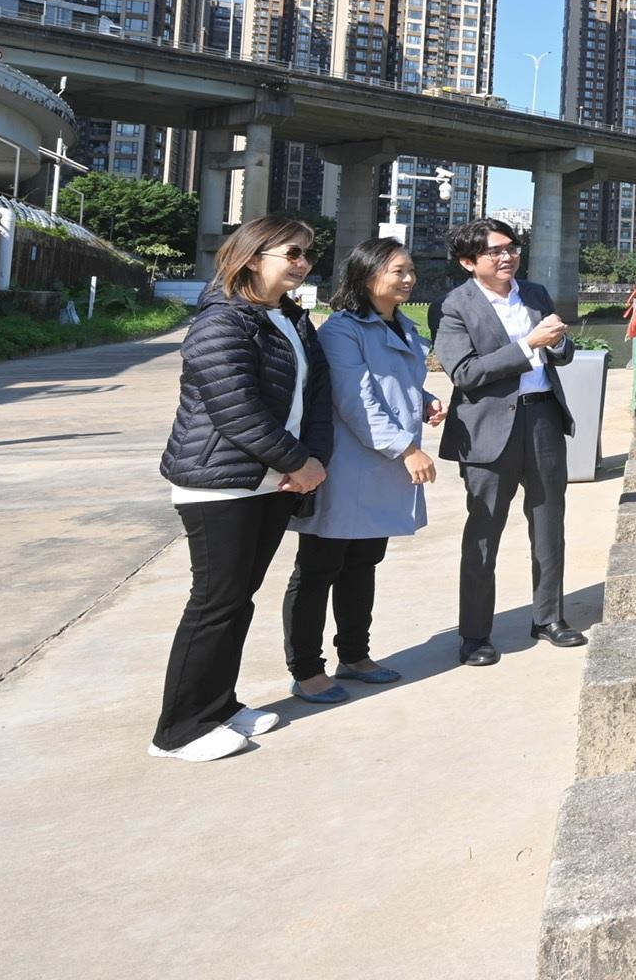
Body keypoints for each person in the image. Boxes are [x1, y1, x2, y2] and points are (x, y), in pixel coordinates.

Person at [151, 215, 330, 762]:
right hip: (220, 482)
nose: (302, 262)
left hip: (270, 480)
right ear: (253, 256)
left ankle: (220, 705)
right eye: (291, 253)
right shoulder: (221, 321)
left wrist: (313, 460)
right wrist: (298, 462)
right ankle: (178, 731)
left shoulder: (289, 319)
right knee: (214, 603)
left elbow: (316, 395)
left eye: (307, 254)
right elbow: (237, 410)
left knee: (237, 601)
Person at [284, 237, 441, 703]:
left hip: (381, 468)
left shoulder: (403, 327)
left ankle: (354, 654)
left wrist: (426, 399)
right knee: (318, 569)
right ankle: (307, 669)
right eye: (398, 270)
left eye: (410, 269)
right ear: (366, 275)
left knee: (362, 564)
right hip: (347, 467)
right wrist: (407, 448)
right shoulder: (342, 330)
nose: (408, 278)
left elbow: (399, 383)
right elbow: (356, 401)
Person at [429, 217, 584, 666]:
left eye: (511, 247)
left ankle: (549, 617)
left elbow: (563, 351)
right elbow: (465, 374)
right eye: (495, 251)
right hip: (486, 429)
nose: (507, 256)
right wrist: (529, 345)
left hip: (543, 420)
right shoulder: (453, 306)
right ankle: (475, 634)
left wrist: (555, 345)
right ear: (467, 261)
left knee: (549, 523)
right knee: (483, 533)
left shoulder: (533, 293)